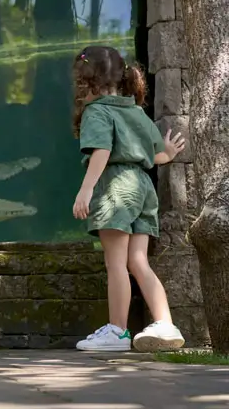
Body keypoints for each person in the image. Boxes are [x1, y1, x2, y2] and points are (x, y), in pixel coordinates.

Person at [71, 45, 187, 353]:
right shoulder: (135, 111)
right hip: (143, 188)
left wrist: (86, 189)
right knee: (138, 261)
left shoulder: (98, 111)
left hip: (116, 187)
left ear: (85, 80)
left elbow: (103, 151)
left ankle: (117, 332)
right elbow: (157, 155)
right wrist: (170, 152)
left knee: (116, 264)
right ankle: (165, 324)